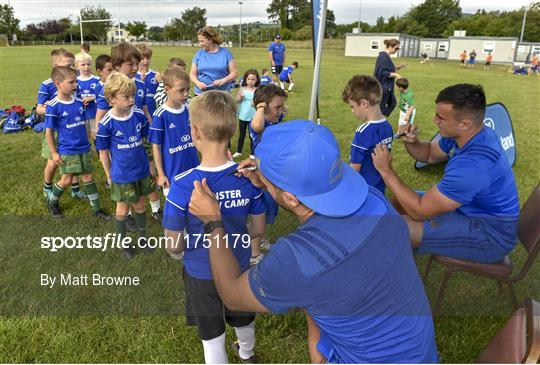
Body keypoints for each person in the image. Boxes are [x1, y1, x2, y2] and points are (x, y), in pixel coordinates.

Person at [188, 120, 439, 364]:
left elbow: (232, 296)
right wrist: (267, 183)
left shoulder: (297, 258)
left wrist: (213, 223)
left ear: (291, 198)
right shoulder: (374, 200)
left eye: (266, 175)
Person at [162, 91, 266, 363]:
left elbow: (173, 244)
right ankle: (247, 354)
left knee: (212, 333)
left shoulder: (183, 184)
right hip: (239, 264)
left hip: (200, 270)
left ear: (194, 132)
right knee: (243, 315)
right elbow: (257, 229)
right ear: (233, 129)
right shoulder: (248, 178)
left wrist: (182, 249)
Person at [372, 83, 519, 264]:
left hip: (490, 236)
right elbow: (429, 154)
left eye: (440, 117)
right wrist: (412, 142)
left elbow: (419, 211)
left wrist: (386, 171)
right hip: (469, 211)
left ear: (465, 124)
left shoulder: (473, 167)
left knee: (394, 227)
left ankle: (385, 262)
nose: (435, 120)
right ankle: (393, 254)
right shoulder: (469, 135)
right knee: (398, 203)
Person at [95, 43, 162, 226]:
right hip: (121, 141)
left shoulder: (140, 83)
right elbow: (100, 118)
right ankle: (130, 215)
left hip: (141, 135)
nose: (135, 68)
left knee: (150, 171)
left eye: (136, 63)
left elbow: (146, 110)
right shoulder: (109, 89)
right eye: (130, 64)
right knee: (127, 182)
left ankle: (156, 209)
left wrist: (152, 130)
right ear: (117, 65)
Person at [96, 73, 155, 260]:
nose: (132, 100)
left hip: (141, 170)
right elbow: (103, 152)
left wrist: (151, 165)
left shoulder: (138, 114)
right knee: (122, 209)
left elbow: (147, 140)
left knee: (140, 204)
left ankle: (143, 238)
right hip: (122, 175)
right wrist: (108, 174)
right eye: (126, 97)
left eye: (133, 96)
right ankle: (122, 243)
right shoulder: (106, 123)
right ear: (111, 99)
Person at [44, 66, 110, 220]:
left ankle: (97, 209)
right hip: (68, 149)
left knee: (88, 177)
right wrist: (54, 153)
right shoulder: (54, 106)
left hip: (84, 147)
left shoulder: (79, 101)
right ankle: (52, 202)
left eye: (76, 81)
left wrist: (90, 135)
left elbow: (83, 122)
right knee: (66, 179)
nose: (76, 85)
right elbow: (49, 131)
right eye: (71, 82)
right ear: (58, 83)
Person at [37, 49, 85, 201]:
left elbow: (77, 101)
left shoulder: (74, 83)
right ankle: (48, 187)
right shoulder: (47, 85)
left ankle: (75, 190)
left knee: (73, 159)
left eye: (73, 65)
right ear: (55, 66)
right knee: (52, 161)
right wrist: (51, 110)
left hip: (71, 129)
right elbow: (39, 108)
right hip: (55, 130)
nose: (72, 69)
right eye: (68, 65)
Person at [149, 67, 198, 198]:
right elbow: (156, 146)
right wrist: (161, 174)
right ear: (167, 90)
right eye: (181, 90)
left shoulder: (189, 110)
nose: (186, 93)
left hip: (193, 168)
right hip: (172, 173)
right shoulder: (160, 115)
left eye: (188, 89)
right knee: (176, 211)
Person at [343, 75, 393, 194]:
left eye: (353, 106)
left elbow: (355, 168)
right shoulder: (387, 125)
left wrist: (343, 189)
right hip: (379, 188)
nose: (352, 111)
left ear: (364, 103)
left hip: (362, 189)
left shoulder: (363, 132)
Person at [190, 26, 238, 95]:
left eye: (202, 41)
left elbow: (234, 73)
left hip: (222, 94)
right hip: (201, 94)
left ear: (210, 39)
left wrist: (223, 80)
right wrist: (198, 83)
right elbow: (192, 74)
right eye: (199, 41)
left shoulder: (226, 53)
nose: (200, 44)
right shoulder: (199, 54)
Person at [373, 38, 406, 117]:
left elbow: (388, 68)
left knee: (392, 103)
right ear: (390, 46)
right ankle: (377, 119)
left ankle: (379, 118)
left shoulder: (386, 56)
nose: (397, 50)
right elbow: (383, 72)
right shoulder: (383, 56)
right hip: (383, 87)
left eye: (398, 49)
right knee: (382, 107)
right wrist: (396, 75)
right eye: (396, 48)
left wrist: (399, 67)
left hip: (387, 86)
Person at [233, 69, 259, 159]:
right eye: (249, 79)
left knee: (252, 135)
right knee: (241, 134)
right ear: (245, 79)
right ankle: (239, 151)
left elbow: (259, 102)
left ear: (256, 80)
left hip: (253, 116)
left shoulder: (257, 90)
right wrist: (239, 98)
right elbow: (237, 100)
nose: (251, 81)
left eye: (253, 79)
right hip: (243, 115)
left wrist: (255, 102)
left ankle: (252, 153)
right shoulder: (242, 89)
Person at [75, 52, 100, 139]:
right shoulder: (75, 81)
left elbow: (103, 96)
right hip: (81, 115)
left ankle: (100, 152)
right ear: (77, 66)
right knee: (84, 138)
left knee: (97, 137)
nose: (86, 67)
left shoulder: (97, 80)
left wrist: (92, 98)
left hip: (95, 114)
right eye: (83, 64)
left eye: (88, 64)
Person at [135, 43, 159, 116]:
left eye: (148, 58)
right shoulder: (132, 75)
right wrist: (140, 84)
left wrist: (161, 82)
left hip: (152, 112)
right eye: (142, 59)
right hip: (137, 113)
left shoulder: (155, 75)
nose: (146, 61)